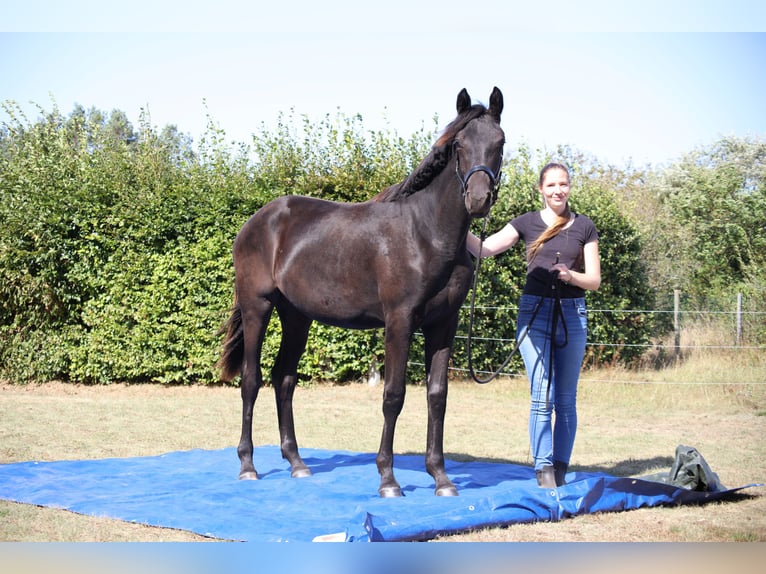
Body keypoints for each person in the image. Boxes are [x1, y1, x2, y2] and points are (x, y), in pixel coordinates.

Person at [466, 162, 601, 488]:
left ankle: (561, 466)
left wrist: (571, 276)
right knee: (542, 397)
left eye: (563, 184)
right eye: (551, 185)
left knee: (566, 400)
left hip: (572, 314)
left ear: (569, 187)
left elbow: (594, 280)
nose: (558, 190)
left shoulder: (584, 226)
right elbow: (485, 249)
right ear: (540, 189)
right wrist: (455, 226)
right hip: (534, 315)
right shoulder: (525, 223)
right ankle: (544, 471)